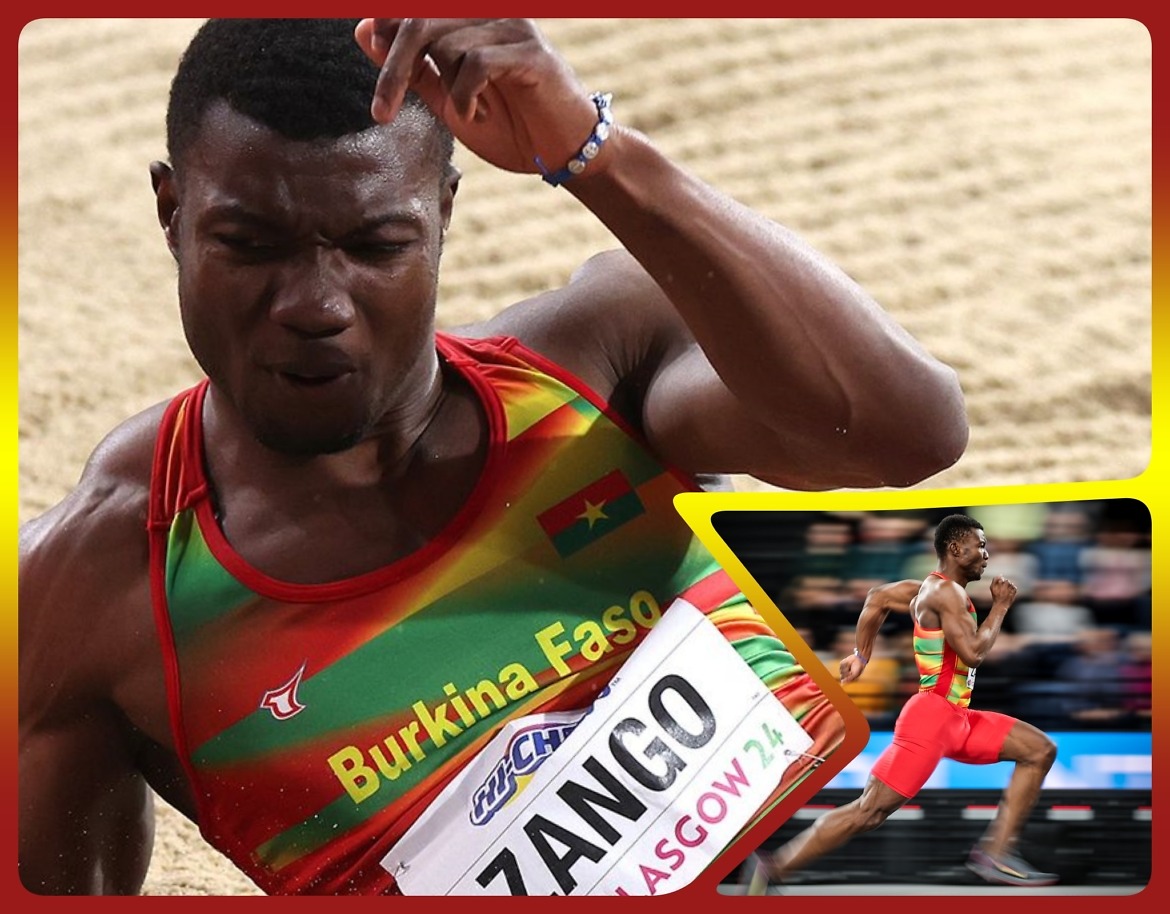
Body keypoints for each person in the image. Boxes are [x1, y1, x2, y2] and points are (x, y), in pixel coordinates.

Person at [18, 19, 967, 895]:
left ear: (442, 214)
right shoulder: (87, 599)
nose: (316, 304)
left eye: (376, 244)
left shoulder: (602, 358)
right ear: (172, 211)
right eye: (250, 243)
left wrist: (593, 152)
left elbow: (906, 432)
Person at [760, 514, 1059, 888]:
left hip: (955, 719)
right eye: (980, 545)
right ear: (955, 548)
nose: (987, 554)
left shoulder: (929, 589)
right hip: (931, 718)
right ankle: (774, 867)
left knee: (1039, 750)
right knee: (868, 812)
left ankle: (996, 852)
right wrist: (1000, 607)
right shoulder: (946, 594)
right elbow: (973, 654)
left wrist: (861, 655)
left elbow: (877, 598)